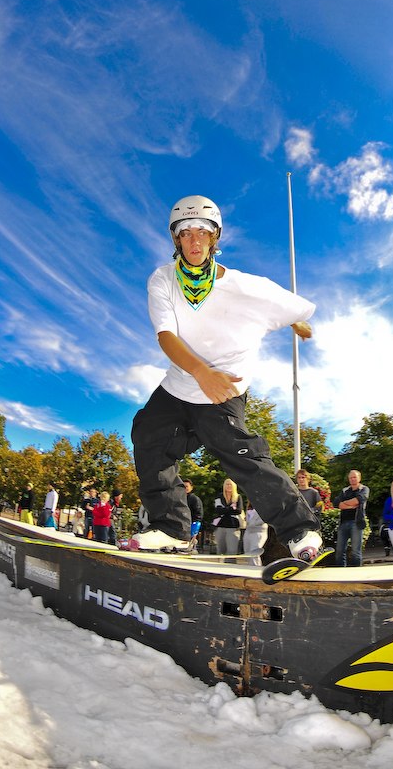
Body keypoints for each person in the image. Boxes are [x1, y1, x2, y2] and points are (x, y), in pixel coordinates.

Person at [130, 195, 321, 560]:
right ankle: (171, 528)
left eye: (203, 233)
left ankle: (301, 530)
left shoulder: (248, 286)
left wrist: (293, 319)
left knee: (241, 455)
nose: (195, 241)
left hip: (225, 389)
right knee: (148, 434)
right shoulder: (163, 279)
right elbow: (165, 335)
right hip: (181, 384)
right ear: (176, 240)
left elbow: (292, 306)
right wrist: (201, 372)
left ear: (215, 238)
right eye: (186, 234)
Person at [333, 470, 369, 567]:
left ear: (359, 478)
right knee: (339, 551)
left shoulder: (364, 489)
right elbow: (336, 503)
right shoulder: (345, 491)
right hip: (343, 523)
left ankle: (356, 573)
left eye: (354, 477)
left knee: (355, 551)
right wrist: (350, 505)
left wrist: (345, 503)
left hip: (356, 522)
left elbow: (359, 500)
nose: (352, 479)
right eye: (351, 478)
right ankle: (341, 572)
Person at [212, 478, 244, 555]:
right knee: (220, 550)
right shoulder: (219, 496)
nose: (229, 486)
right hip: (220, 525)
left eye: (230, 484)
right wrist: (230, 509)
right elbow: (218, 510)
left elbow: (238, 511)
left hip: (233, 526)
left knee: (232, 551)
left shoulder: (238, 497)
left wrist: (225, 510)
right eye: (227, 484)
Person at [183, 480, 203, 549]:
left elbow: (198, 514)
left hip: (191, 525)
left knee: (190, 546)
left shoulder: (194, 499)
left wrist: (195, 528)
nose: (185, 488)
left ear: (191, 487)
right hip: (182, 526)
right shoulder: (179, 498)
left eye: (186, 486)